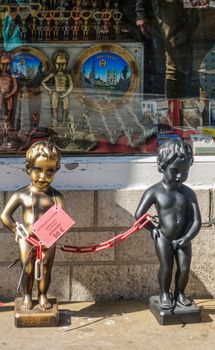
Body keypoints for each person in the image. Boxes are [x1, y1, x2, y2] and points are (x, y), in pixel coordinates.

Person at [135, 138, 201, 309]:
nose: (180, 176)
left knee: (184, 268)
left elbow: (196, 220)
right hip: (163, 237)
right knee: (166, 267)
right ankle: (164, 292)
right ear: (161, 167)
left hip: (183, 238)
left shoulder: (188, 194)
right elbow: (139, 214)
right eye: (175, 170)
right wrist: (151, 229)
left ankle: (180, 292)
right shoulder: (154, 192)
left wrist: (187, 238)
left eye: (184, 171)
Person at [0, 141, 65, 310]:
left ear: (56, 171)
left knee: (44, 270)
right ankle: (27, 295)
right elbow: (5, 215)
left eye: (49, 171)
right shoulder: (21, 194)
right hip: (26, 239)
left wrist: (51, 238)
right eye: (38, 170)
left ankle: (43, 295)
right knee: (27, 269)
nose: (43, 176)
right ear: (29, 168)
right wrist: (16, 230)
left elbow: (61, 221)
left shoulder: (56, 197)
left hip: (48, 240)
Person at [135, 0, 198, 98]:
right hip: (162, 17)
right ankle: (169, 103)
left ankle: (178, 103)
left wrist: (187, 30)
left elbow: (194, 12)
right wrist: (141, 15)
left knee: (181, 67)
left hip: (180, 17)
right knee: (165, 67)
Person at [41, 50, 74, 126]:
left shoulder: (67, 75)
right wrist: (50, 90)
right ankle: (54, 122)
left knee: (66, 108)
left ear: (66, 64)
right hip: (55, 92)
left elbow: (71, 86)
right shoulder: (53, 74)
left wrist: (66, 93)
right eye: (58, 64)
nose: (60, 66)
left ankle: (64, 122)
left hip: (64, 92)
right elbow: (43, 82)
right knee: (54, 108)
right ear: (55, 63)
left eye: (63, 64)